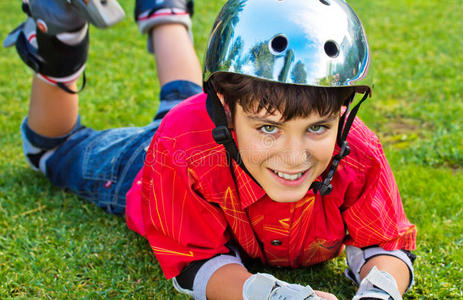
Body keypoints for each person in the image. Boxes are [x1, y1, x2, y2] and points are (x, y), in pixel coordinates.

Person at [5, 0, 416, 299]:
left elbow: (387, 245)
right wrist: (272, 296)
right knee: (53, 149)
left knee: (182, 97)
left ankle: (165, 11)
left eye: (318, 128)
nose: (294, 158)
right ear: (224, 108)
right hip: (153, 160)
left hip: (211, 134)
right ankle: (61, 34)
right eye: (270, 127)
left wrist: (380, 291)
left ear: (343, 113)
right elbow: (193, 261)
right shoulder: (181, 151)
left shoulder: (357, 150)